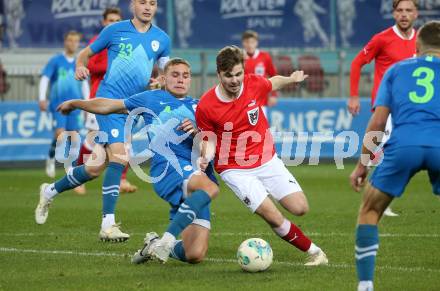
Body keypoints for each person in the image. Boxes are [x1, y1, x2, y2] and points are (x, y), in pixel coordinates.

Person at [57, 58, 219, 264]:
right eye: (175, 75)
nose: (180, 80)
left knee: (194, 253)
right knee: (210, 188)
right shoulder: (151, 99)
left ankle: (154, 244)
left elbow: (210, 144)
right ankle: (167, 240)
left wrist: (198, 134)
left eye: (185, 76)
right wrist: (76, 103)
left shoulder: (200, 106)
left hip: (195, 174)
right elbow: (109, 105)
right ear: (163, 78)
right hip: (169, 168)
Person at [35, 0, 171, 242]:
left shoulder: (162, 39)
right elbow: (86, 53)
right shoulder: (114, 30)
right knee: (120, 155)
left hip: (132, 108)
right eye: (143, 2)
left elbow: (163, 70)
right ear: (133, 5)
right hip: (108, 103)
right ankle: (107, 225)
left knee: (94, 168)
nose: (148, 7)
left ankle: (49, 191)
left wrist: (160, 80)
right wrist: (79, 66)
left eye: (152, 3)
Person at [195, 46, 328, 266]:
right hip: (234, 168)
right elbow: (209, 140)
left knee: (300, 208)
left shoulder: (253, 83)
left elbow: (272, 82)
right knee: (272, 215)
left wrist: (291, 78)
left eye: (238, 74)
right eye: (228, 76)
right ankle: (315, 252)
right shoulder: (206, 105)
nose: (235, 80)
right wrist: (205, 156)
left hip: (266, 159)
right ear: (219, 74)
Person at [349, 20, 440, 291]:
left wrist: (362, 165)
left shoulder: (397, 71)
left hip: (404, 146)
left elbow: (377, 123)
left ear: (417, 46)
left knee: (369, 210)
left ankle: (365, 285)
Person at [348, 0, 419, 217]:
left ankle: (372, 182)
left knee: (391, 153)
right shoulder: (383, 38)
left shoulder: (422, 40)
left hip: (410, 107)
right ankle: (378, 199)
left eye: (408, 10)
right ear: (393, 13)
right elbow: (356, 63)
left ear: (416, 13)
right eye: (400, 10)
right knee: (384, 149)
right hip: (385, 106)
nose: (404, 15)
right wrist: (353, 96)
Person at [76, 7, 138, 195]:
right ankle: (77, 176)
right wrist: (115, 66)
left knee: (125, 138)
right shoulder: (99, 42)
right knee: (93, 138)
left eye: (116, 20)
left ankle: (122, 179)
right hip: (100, 97)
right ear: (104, 22)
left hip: (122, 98)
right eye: (110, 20)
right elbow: (92, 65)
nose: (113, 24)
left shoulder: (127, 42)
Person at [38, 31, 90, 182]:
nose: (73, 44)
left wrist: (87, 104)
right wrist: (42, 98)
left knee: (74, 137)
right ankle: (51, 158)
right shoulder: (56, 60)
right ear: (65, 42)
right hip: (58, 105)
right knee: (60, 134)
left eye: (76, 41)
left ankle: (72, 170)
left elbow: (85, 83)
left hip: (75, 105)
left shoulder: (79, 62)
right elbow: (45, 78)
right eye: (70, 40)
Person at [241, 30, 278, 113]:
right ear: (243, 43)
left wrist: (273, 95)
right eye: (247, 42)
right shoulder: (239, 57)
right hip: (243, 100)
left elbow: (273, 75)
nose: (250, 45)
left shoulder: (265, 57)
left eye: (252, 42)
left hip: (261, 100)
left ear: (256, 43)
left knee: (261, 125)